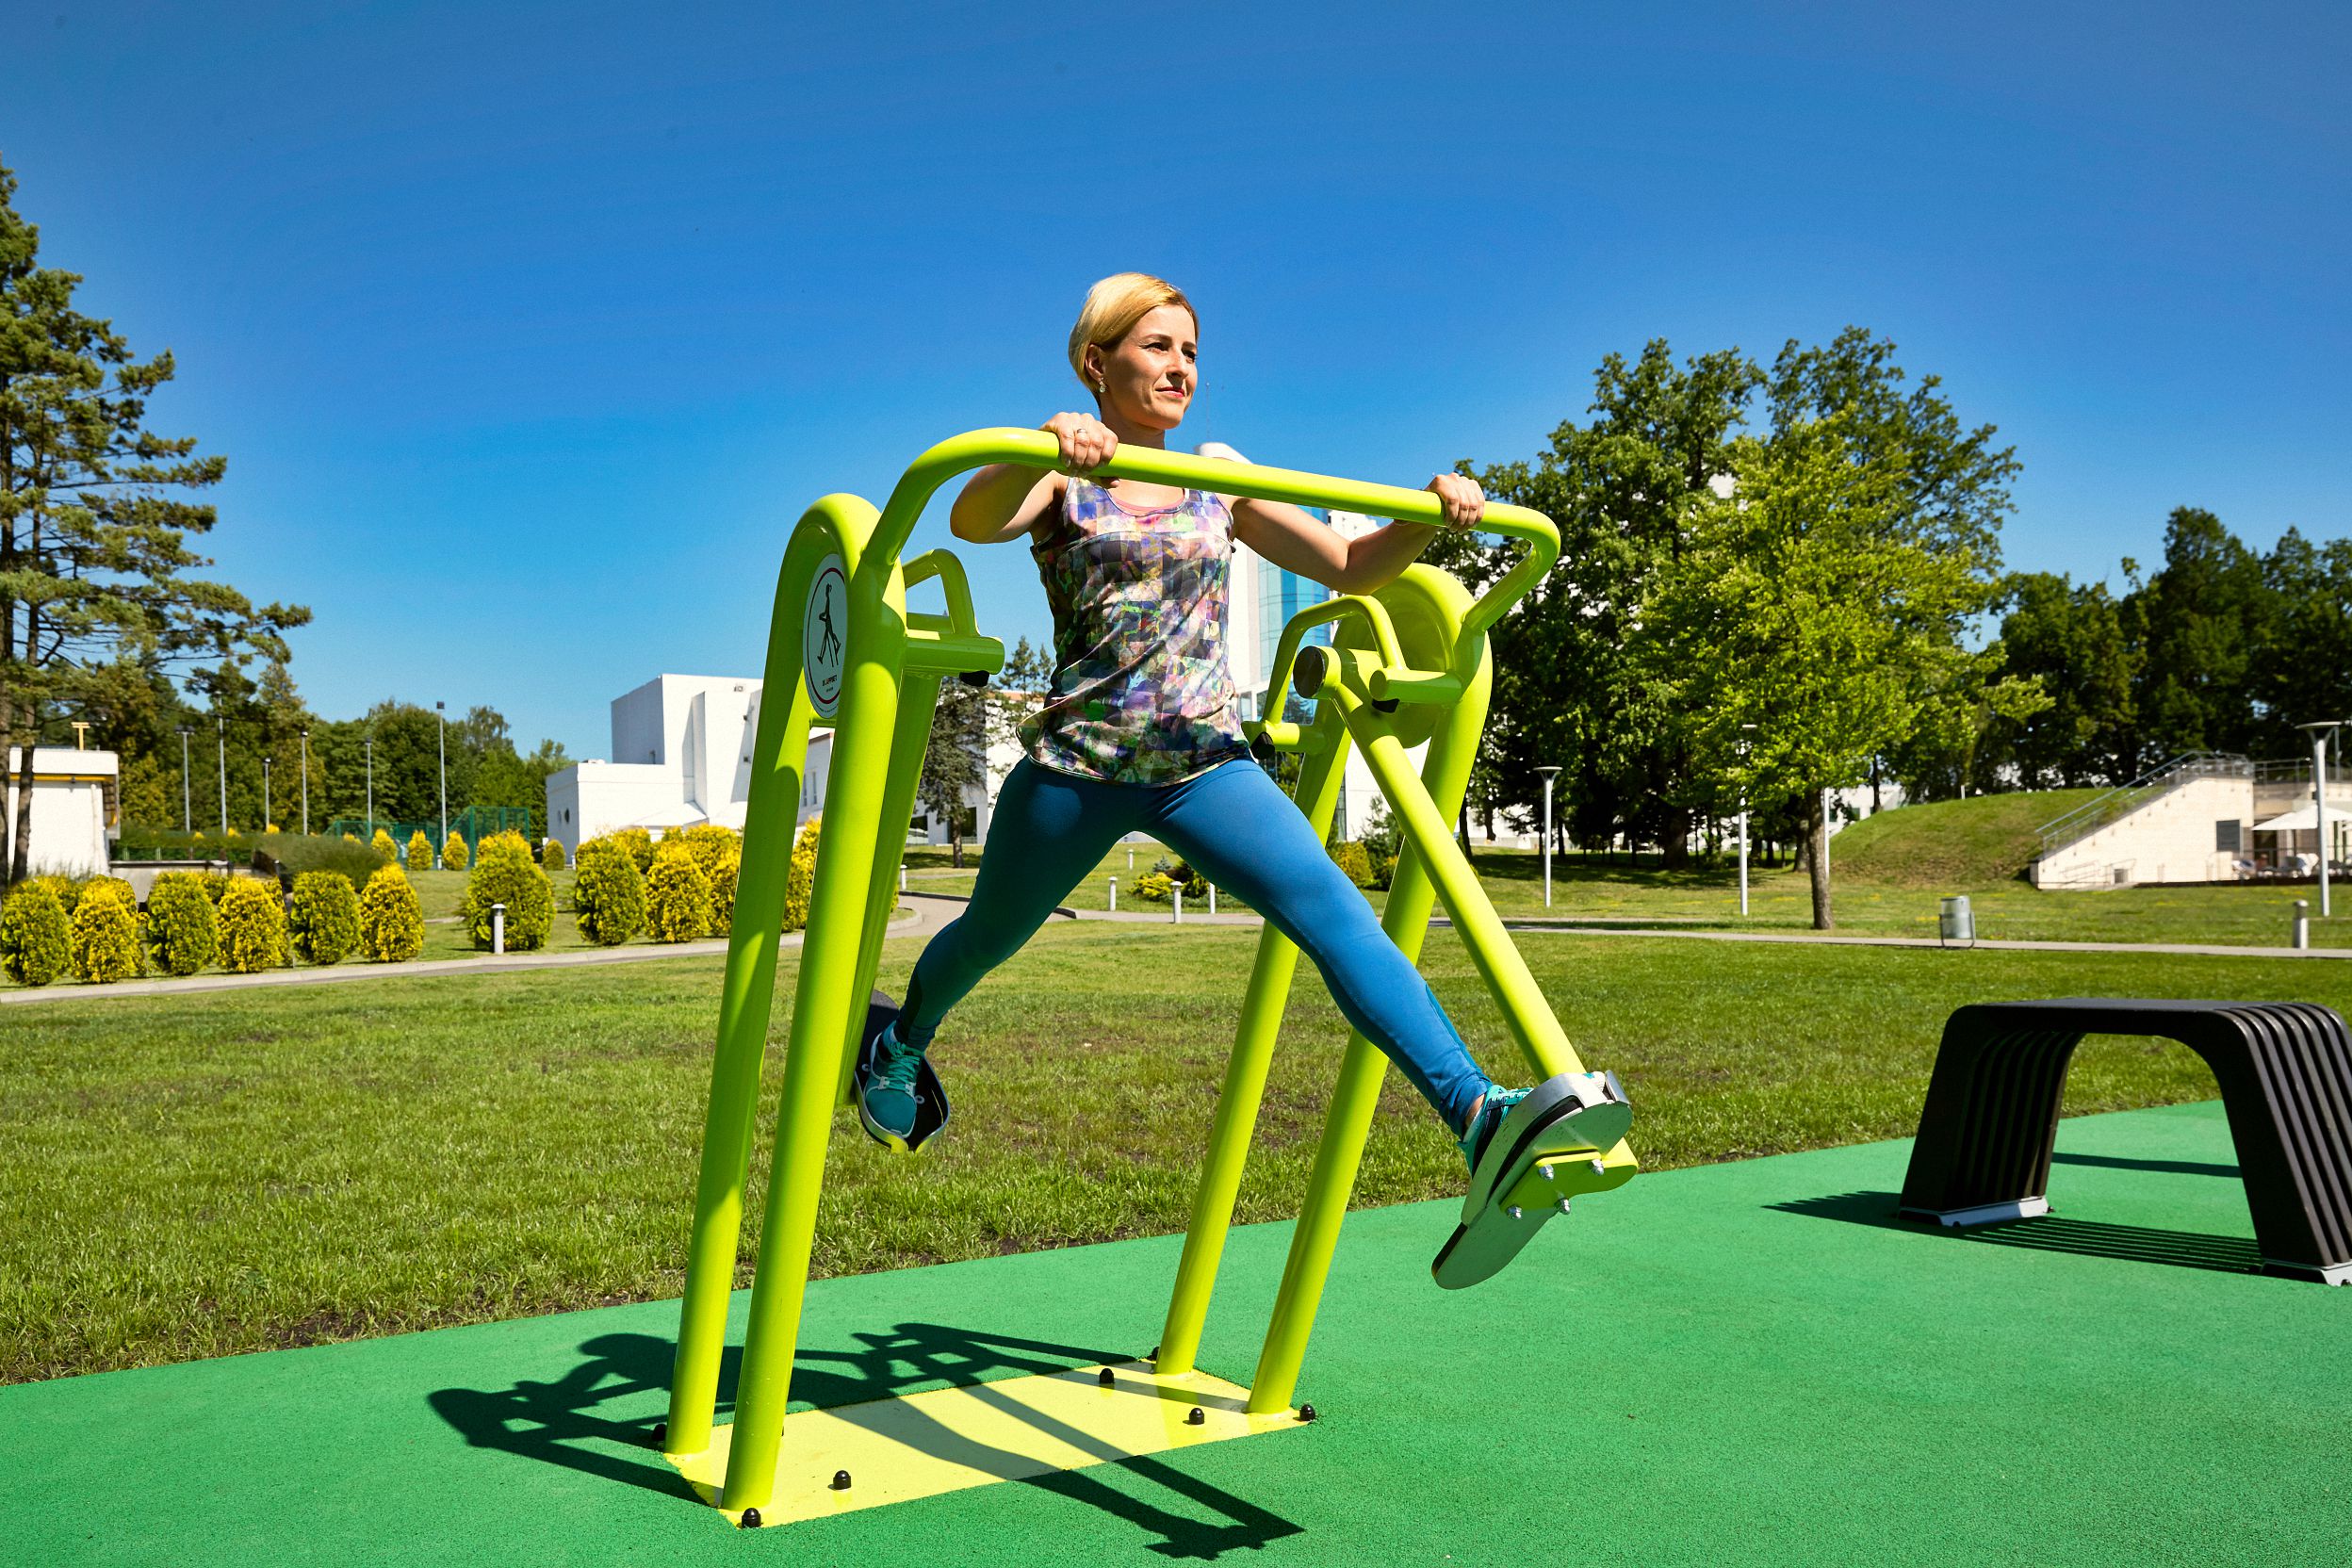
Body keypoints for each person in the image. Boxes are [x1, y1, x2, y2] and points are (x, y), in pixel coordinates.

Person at [855, 272, 1626, 1280]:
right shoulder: (1059, 466)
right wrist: (1043, 442)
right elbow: (971, 515)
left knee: (1335, 911)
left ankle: (1478, 1118)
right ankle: (902, 1040)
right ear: (1096, 363)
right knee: (985, 940)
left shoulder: (1217, 475)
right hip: (1081, 764)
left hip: (1203, 763)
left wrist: (1433, 517)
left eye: (1191, 351)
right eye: (1157, 347)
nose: (1181, 367)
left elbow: (1348, 566)